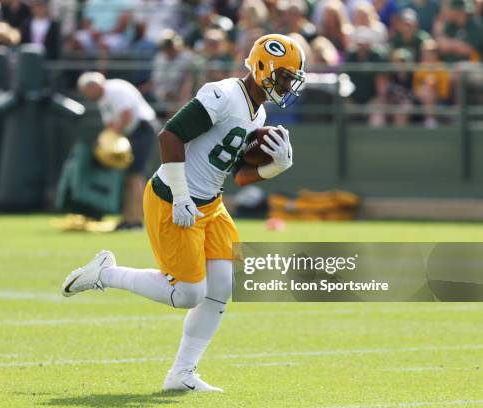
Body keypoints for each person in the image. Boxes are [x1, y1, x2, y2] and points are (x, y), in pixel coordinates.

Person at [63, 34, 304, 392]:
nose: (286, 84)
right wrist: (180, 196)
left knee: (222, 285)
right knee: (188, 294)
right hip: (173, 197)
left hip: (211, 204)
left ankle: (181, 373)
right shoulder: (223, 94)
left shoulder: (260, 111)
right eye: (284, 76)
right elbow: (169, 136)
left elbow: (237, 173)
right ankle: (106, 273)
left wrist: (274, 169)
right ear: (262, 66)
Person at [77, 72, 157, 230]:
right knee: (129, 176)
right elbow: (109, 124)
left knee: (135, 175)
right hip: (132, 132)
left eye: (86, 92)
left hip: (142, 129)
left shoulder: (114, 89)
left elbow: (126, 115)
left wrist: (112, 136)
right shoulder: (103, 97)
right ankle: (128, 217)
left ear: (93, 86)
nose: (87, 96)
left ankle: (136, 219)